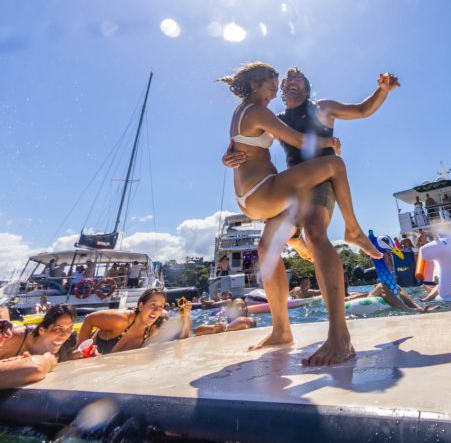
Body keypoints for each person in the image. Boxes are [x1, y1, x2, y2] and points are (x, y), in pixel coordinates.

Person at [222, 64, 398, 366]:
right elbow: (244, 140)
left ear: (306, 86)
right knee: (266, 248)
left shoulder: (322, 107)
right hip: (292, 184)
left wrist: (382, 90)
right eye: (285, 81)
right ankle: (280, 330)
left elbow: (361, 110)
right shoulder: (274, 118)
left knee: (315, 232)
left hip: (321, 182)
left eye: (297, 79)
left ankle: (339, 336)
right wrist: (228, 157)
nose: (290, 83)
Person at [78, 289, 191, 355]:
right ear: (141, 305)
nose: (156, 310)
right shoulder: (120, 320)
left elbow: (183, 336)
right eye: (153, 305)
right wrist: (82, 351)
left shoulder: (152, 329)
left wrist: (185, 315)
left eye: (160, 307)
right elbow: (89, 319)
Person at [0, 305, 78, 370]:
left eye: (69, 328)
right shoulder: (14, 337)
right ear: (41, 330)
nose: (64, 334)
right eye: (58, 329)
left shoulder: (69, 340)